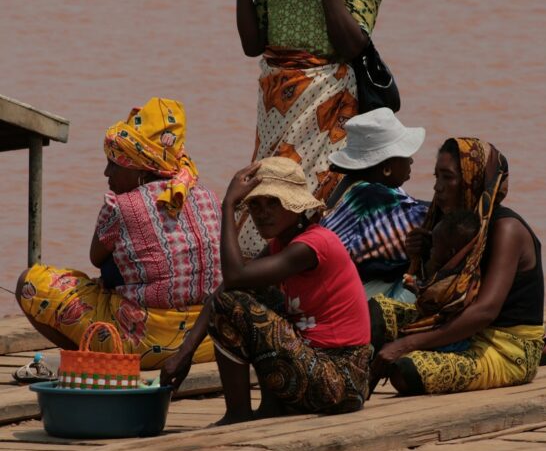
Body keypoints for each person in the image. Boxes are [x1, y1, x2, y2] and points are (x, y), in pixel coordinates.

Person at [15, 98, 221, 370]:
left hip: (141, 344)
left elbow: (96, 257)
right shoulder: (207, 196)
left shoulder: (121, 206)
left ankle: (95, 357)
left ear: (139, 167)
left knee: (29, 283)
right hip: (204, 341)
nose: (106, 173)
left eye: (114, 164)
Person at [162, 157, 371, 425]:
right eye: (255, 204)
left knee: (234, 303)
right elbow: (226, 287)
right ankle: (266, 408)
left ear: (296, 207)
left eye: (273, 202)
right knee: (239, 297)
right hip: (320, 372)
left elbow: (234, 277)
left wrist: (228, 206)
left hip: (339, 381)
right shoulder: (281, 245)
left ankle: (238, 414)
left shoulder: (312, 245)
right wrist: (184, 353)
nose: (262, 213)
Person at [236, 0, 385, 256]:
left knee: (317, 191)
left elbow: (352, 47)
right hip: (276, 108)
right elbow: (253, 46)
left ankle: (312, 262)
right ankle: (262, 266)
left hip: (326, 107)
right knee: (269, 184)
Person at [369, 137, 545, 396]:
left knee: (406, 371)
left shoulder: (506, 229)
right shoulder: (458, 224)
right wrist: (421, 257)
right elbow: (438, 295)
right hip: (461, 330)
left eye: (447, 178)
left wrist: (406, 344)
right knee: (376, 311)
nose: (437, 187)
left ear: (473, 180)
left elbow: (485, 311)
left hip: (505, 349)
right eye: (436, 177)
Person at [320, 108, 428, 301]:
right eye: (405, 156)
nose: (411, 160)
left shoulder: (353, 184)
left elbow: (411, 206)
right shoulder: (371, 196)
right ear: (386, 168)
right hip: (348, 298)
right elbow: (425, 217)